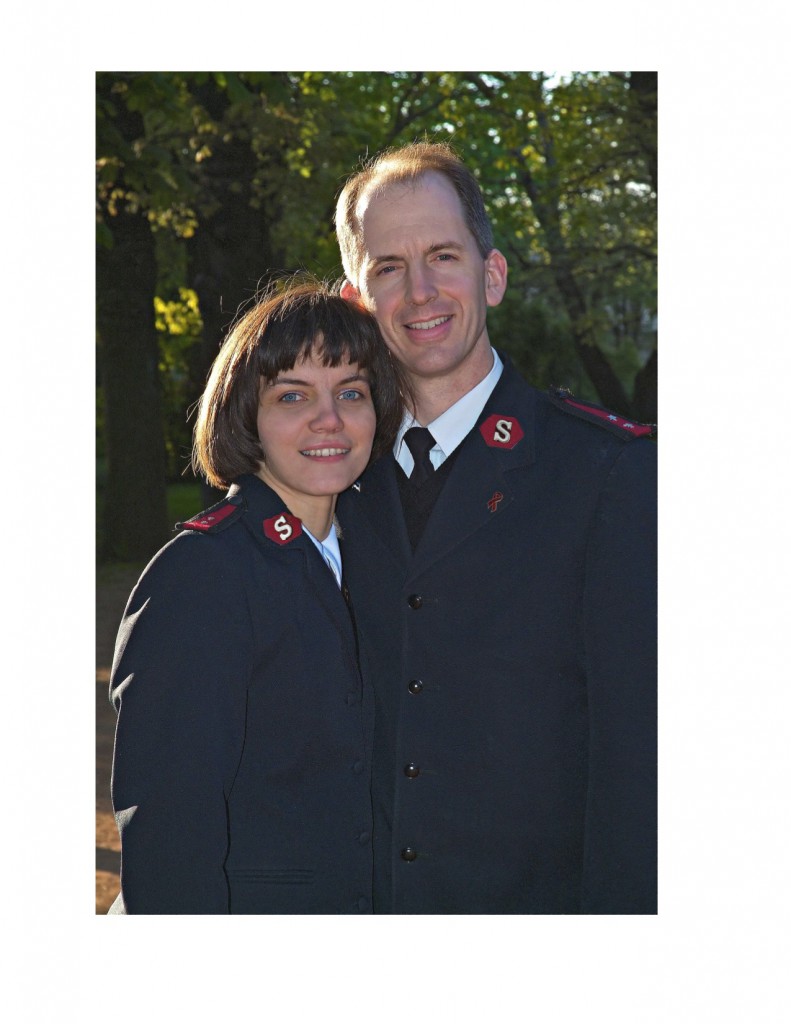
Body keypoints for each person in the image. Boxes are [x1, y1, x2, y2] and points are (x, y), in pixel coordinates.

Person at [334, 141, 657, 914]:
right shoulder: (332, 477)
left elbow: (642, 761)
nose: (419, 292)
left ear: (492, 274)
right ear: (355, 300)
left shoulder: (607, 472)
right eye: (387, 267)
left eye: (443, 255)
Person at [107, 279, 405, 914]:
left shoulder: (379, 558)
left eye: (350, 392)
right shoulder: (202, 574)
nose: (329, 418)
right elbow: (169, 834)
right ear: (247, 414)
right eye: (292, 395)